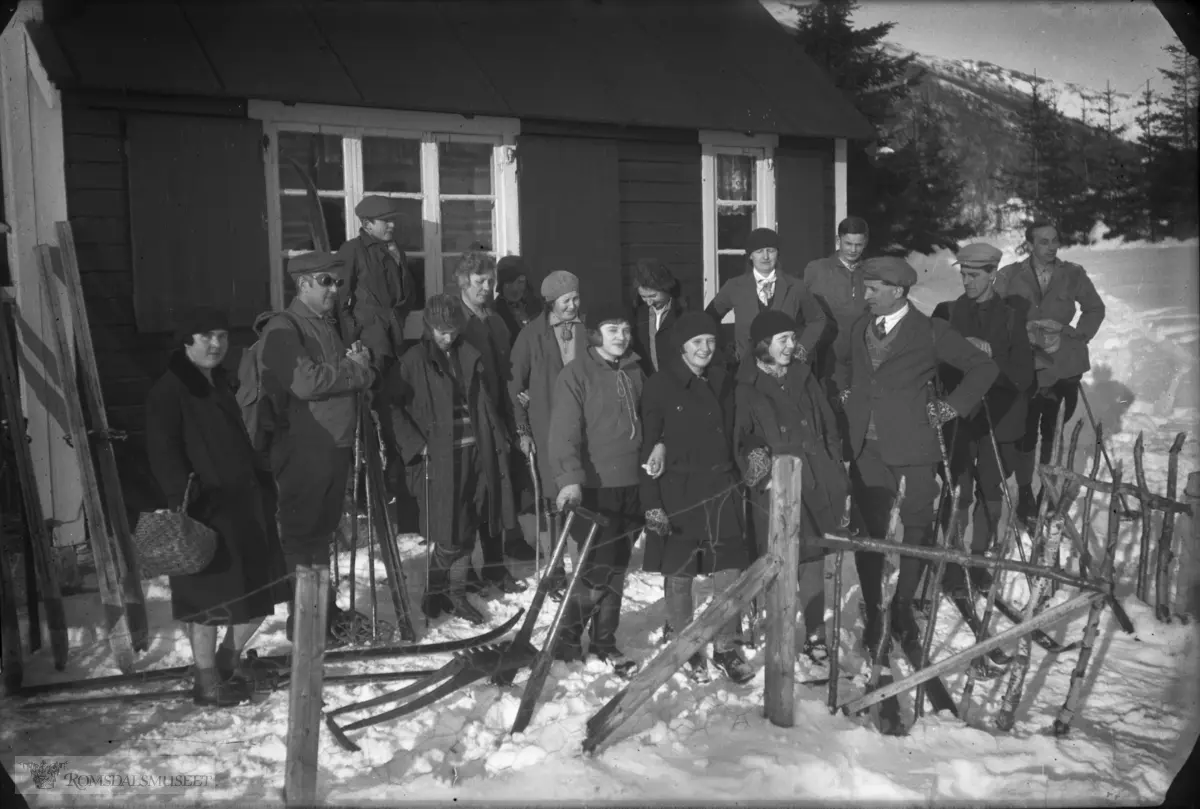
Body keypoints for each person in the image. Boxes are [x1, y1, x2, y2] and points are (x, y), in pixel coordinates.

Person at [836, 256, 997, 659]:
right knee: (869, 531)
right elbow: (841, 364)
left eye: (873, 289)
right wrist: (846, 393)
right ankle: (875, 607)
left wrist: (950, 407)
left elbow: (983, 367)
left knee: (917, 526)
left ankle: (904, 604)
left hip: (913, 445)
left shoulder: (930, 331)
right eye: (865, 287)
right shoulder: (859, 326)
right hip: (865, 448)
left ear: (898, 291)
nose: (866, 295)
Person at [146, 308, 290, 706]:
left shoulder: (218, 382)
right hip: (204, 513)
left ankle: (227, 661)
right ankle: (207, 681)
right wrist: (186, 502)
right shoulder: (171, 390)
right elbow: (163, 454)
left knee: (259, 594)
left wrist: (264, 487)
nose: (216, 344)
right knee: (206, 603)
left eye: (222, 336)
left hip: (245, 506)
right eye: (205, 335)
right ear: (186, 341)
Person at [378, 295, 517, 625]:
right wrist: (415, 443)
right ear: (429, 327)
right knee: (448, 531)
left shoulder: (468, 354)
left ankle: (453, 594)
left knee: (470, 521)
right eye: (441, 332)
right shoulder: (413, 361)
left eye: (453, 331)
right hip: (439, 457)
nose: (448, 338)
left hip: (477, 449)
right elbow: (389, 407)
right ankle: (435, 590)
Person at [259, 251, 375, 640]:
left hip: (334, 447)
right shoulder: (285, 326)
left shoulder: (326, 324)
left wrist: (357, 369)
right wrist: (355, 371)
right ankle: (303, 622)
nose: (334, 289)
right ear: (303, 283)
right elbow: (305, 383)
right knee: (301, 535)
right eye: (325, 281)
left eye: (338, 282)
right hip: (304, 449)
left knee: (321, 535)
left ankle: (319, 613)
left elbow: (345, 373)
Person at [641, 312, 753, 684]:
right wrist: (652, 502)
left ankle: (725, 645)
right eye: (697, 343)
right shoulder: (660, 385)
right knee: (680, 573)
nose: (706, 349)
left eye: (710, 341)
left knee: (729, 572)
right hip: (678, 490)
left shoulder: (724, 380)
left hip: (721, 488)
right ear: (682, 348)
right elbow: (648, 445)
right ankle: (683, 641)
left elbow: (740, 429)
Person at [734, 310, 850, 668]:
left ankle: (815, 634)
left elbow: (828, 426)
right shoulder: (744, 385)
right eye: (783, 339)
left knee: (813, 557)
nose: (791, 345)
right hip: (776, 485)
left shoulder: (804, 375)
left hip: (816, 476)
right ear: (763, 344)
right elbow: (741, 437)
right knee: (778, 559)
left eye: (792, 338)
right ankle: (776, 628)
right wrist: (756, 464)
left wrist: (836, 467)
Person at [549, 302, 646, 677]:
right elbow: (563, 432)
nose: (621, 337)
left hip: (632, 483)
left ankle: (605, 639)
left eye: (624, 329)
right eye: (612, 329)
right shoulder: (577, 374)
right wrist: (569, 478)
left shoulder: (637, 370)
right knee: (596, 567)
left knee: (618, 567)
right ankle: (569, 638)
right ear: (595, 334)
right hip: (596, 485)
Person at [933, 243, 1035, 592]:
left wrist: (990, 361)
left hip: (999, 419)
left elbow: (1024, 375)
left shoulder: (1010, 318)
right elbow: (932, 365)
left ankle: (978, 561)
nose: (967, 281)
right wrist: (962, 351)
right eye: (963, 274)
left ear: (993, 274)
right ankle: (952, 559)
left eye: (974, 275)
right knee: (956, 490)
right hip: (960, 418)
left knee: (990, 489)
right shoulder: (946, 314)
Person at [995, 221, 1106, 524]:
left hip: (1062, 367)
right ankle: (1024, 492)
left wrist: (1075, 334)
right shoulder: (1009, 275)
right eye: (1044, 241)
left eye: (1055, 240)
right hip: (1025, 366)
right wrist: (1020, 330)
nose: (1052, 246)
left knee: (1053, 431)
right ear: (1030, 244)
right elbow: (993, 312)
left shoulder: (1073, 274)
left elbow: (1095, 308)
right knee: (1025, 432)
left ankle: (1047, 489)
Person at [455, 250, 534, 588]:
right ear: (463, 283)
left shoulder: (495, 320)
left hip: (497, 416)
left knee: (496, 492)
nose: (486, 288)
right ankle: (462, 574)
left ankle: (494, 566)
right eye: (479, 282)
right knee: (469, 497)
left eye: (490, 281)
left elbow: (507, 370)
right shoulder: (455, 320)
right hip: (468, 419)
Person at [509, 270, 586, 592]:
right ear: (551, 302)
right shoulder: (531, 336)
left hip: (584, 428)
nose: (573, 305)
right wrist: (522, 428)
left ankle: (583, 567)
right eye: (567, 300)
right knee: (551, 502)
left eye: (576, 298)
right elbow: (514, 383)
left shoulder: (589, 331)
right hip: (546, 428)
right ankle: (554, 571)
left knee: (581, 497)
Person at [704, 227, 826, 366]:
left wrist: (802, 349)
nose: (765, 257)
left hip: (786, 366)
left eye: (771, 250)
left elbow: (817, 319)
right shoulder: (734, 286)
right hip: (746, 367)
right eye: (759, 251)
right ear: (750, 255)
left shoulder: (796, 287)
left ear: (778, 253)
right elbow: (708, 318)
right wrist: (726, 349)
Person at [338, 195, 416, 373]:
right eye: (385, 221)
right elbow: (339, 299)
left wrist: (399, 317)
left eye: (393, 220)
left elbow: (408, 293)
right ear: (367, 225)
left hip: (395, 336)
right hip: (368, 340)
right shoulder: (352, 250)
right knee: (370, 392)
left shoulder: (395, 250)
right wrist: (354, 335)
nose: (392, 225)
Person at [802, 216, 870, 394]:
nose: (853, 250)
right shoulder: (817, 269)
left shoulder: (871, 272)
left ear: (865, 243)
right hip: (827, 357)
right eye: (848, 243)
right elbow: (802, 310)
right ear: (838, 240)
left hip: (862, 357)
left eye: (859, 245)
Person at [630, 257, 688, 376]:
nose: (649, 302)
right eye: (644, 297)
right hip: (649, 381)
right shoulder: (638, 314)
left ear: (666, 288)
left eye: (653, 296)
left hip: (677, 381)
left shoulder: (683, 313)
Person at [494, 255, 541, 345]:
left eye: (520, 282)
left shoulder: (536, 307)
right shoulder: (493, 312)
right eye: (509, 283)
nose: (515, 288)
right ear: (501, 284)